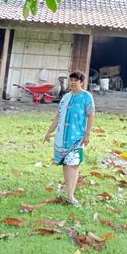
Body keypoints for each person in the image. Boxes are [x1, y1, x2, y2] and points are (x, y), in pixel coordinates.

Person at [44, 71, 95, 206]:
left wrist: (87, 134)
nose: (72, 82)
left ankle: (71, 196)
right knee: (66, 164)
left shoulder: (86, 97)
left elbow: (91, 115)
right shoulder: (65, 97)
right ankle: (68, 191)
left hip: (77, 137)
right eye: (71, 80)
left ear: (81, 82)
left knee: (73, 164)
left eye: (75, 80)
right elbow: (58, 116)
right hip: (62, 137)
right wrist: (49, 132)